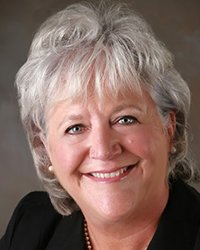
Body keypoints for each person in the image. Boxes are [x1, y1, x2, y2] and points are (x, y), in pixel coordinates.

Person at [1, 2, 200, 250]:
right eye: (75, 127)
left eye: (125, 119)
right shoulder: (31, 227)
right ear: (44, 146)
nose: (103, 149)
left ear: (169, 128)